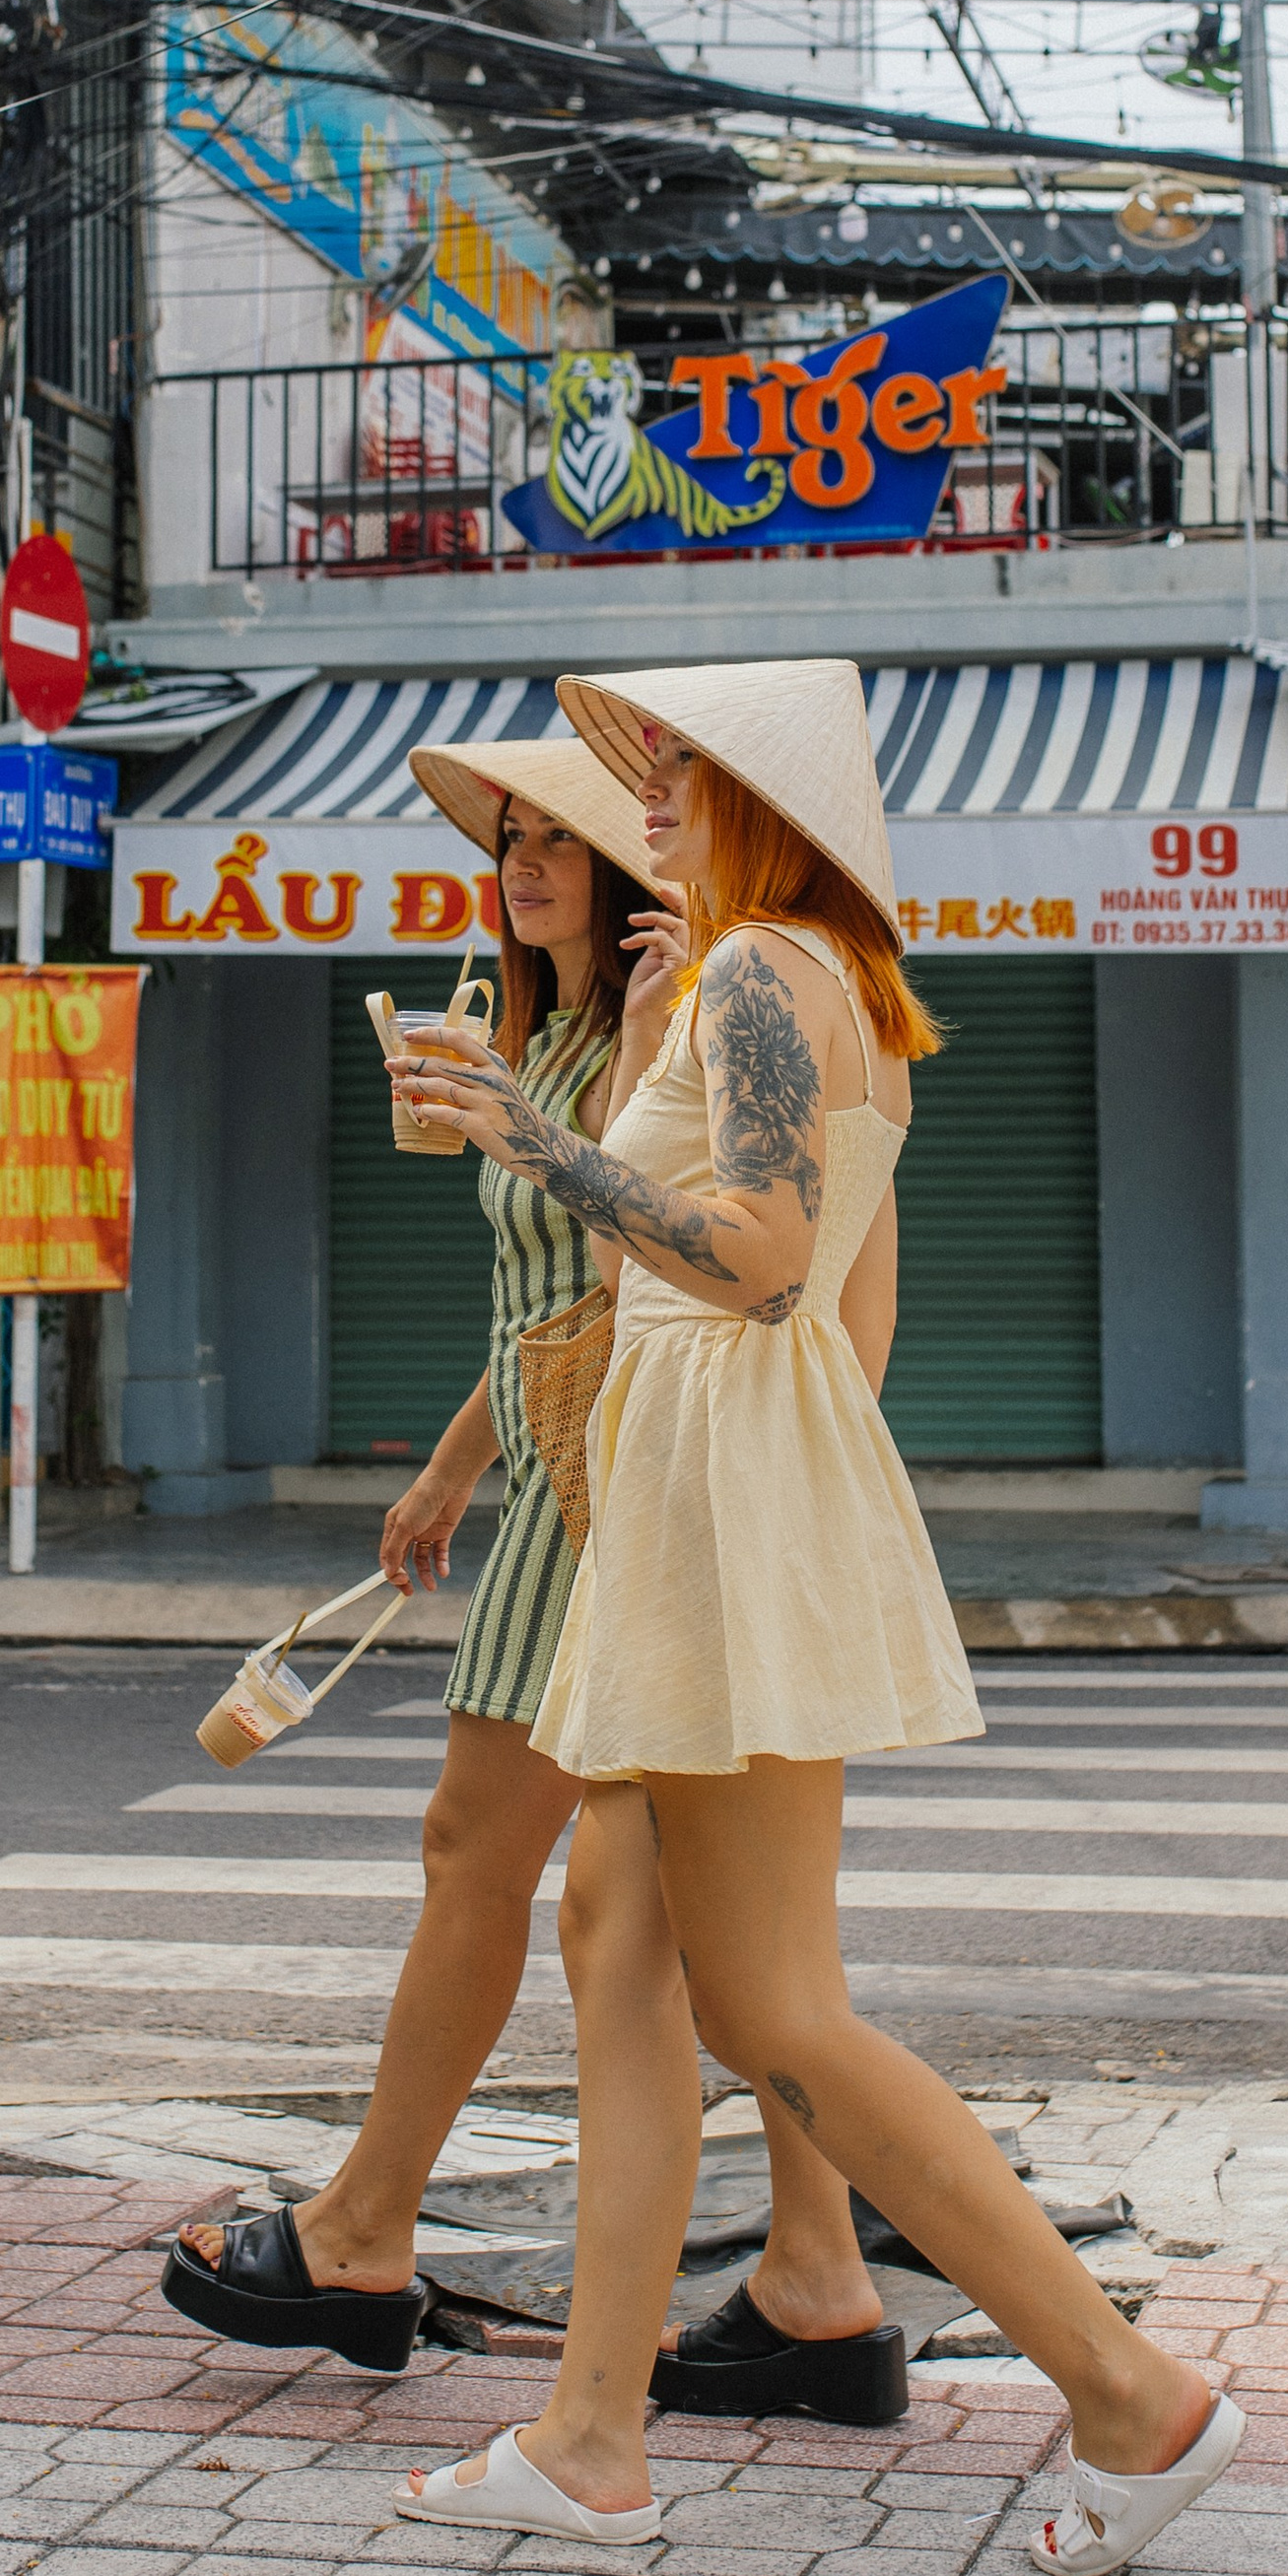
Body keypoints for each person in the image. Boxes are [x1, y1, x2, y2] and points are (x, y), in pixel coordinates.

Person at [382, 660, 1244, 2576]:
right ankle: (590, 2433)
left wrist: (522, 1135)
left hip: (713, 1476)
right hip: (722, 1470)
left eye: (672, 767)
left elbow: (763, 1261)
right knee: (616, 1942)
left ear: (754, 793)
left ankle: (1126, 2394)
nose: (640, 793)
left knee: (769, 2007)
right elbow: (846, 1313)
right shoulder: (785, 978)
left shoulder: (767, 975)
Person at [162, 730, 904, 2421]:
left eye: (563, 835)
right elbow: (554, 1311)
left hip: (619, 1492)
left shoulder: (683, 1019)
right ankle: (814, 2285)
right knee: (698, 1939)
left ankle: (368, 2234)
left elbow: (702, 1271)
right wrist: (451, 1462)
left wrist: (588, 1107)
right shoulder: (555, 1034)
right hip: (577, 1477)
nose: (532, 861)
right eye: (511, 840)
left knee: (547, 1880)